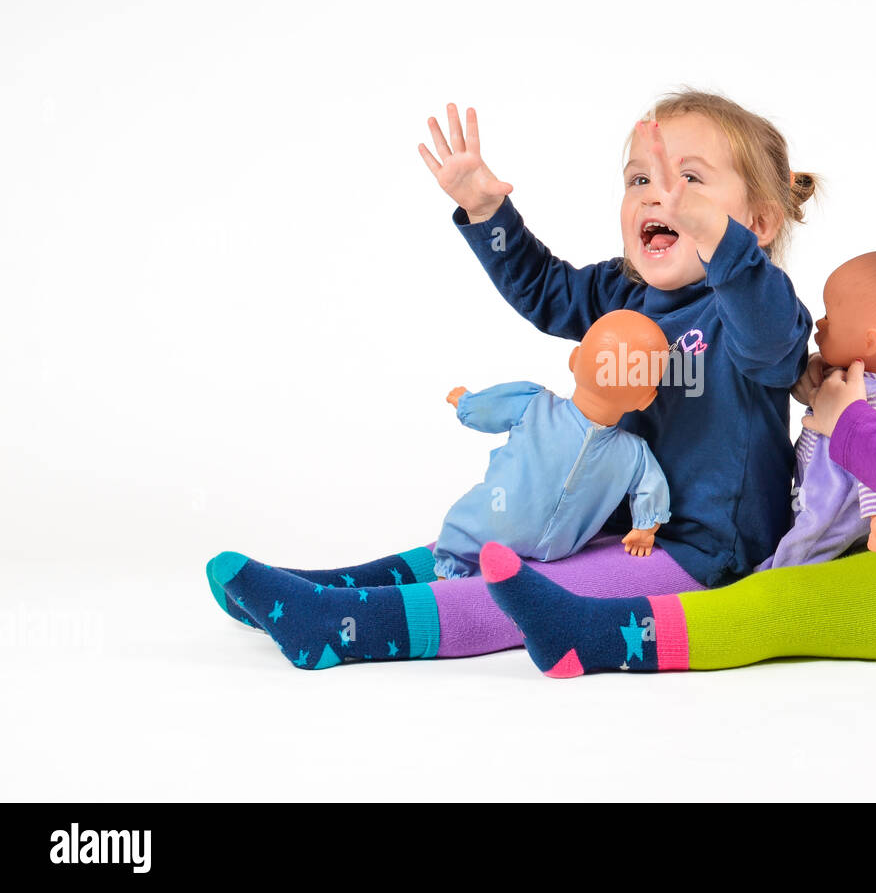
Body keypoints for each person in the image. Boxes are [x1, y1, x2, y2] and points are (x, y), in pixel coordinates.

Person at [479, 95, 876, 677]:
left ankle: (593, 638)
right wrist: (826, 384)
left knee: (768, 604)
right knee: (787, 570)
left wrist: (849, 421)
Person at [206, 91, 816, 669]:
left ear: (756, 223)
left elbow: (771, 346)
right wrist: (485, 209)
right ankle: (320, 591)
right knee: (479, 547)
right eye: (640, 179)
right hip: (602, 524)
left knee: (524, 591)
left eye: (689, 180)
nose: (661, 198)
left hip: (703, 554)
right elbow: (545, 290)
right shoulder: (622, 290)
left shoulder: (760, 306)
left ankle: (340, 628)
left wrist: (722, 244)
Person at [433, 309, 672, 580]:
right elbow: (651, 488)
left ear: (575, 360)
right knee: (467, 537)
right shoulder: (631, 452)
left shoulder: (538, 406)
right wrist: (644, 528)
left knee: (465, 532)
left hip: (509, 533)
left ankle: (450, 577)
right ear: (646, 399)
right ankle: (450, 576)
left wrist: (467, 404)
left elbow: (490, 409)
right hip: (551, 542)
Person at [754, 251, 876, 570]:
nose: (820, 323)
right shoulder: (859, 371)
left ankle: (764, 588)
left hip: (834, 507)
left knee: (796, 558)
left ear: (869, 342)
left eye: (829, 318)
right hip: (810, 490)